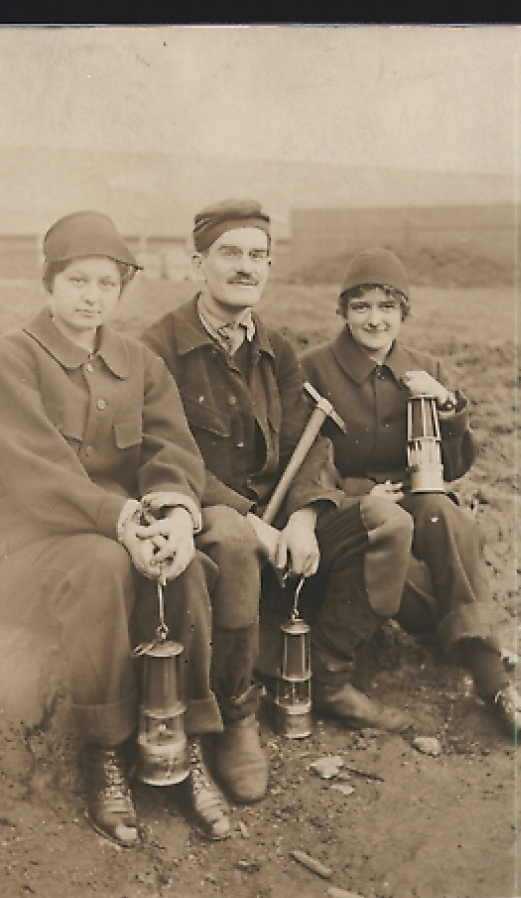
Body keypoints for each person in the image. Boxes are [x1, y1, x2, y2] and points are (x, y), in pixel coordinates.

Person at [0, 210, 233, 848]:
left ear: (121, 290)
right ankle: (105, 754)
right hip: (26, 547)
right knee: (103, 565)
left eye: (107, 285)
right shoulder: (9, 362)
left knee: (189, 565)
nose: (92, 297)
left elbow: (172, 449)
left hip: (126, 531)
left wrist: (171, 516)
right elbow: (40, 477)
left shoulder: (137, 363)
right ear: (49, 284)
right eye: (78, 281)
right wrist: (122, 521)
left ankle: (184, 744)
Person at [142, 200, 415, 807]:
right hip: (206, 514)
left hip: (277, 510)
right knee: (236, 542)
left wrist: (303, 517)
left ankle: (329, 673)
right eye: (230, 254)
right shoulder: (157, 348)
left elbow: (307, 442)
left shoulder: (276, 348)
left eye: (257, 255)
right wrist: (249, 521)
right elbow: (168, 459)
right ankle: (237, 715)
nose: (246, 267)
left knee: (386, 523)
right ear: (198, 263)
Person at [300, 248, 521, 743]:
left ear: (403, 312)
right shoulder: (313, 369)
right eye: (361, 306)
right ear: (343, 311)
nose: (374, 318)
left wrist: (448, 408)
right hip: (346, 514)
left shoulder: (424, 367)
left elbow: (451, 469)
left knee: (447, 516)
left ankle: (489, 681)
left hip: (414, 505)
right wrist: (362, 490)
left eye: (387, 307)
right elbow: (302, 460)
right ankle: (486, 660)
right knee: (406, 565)